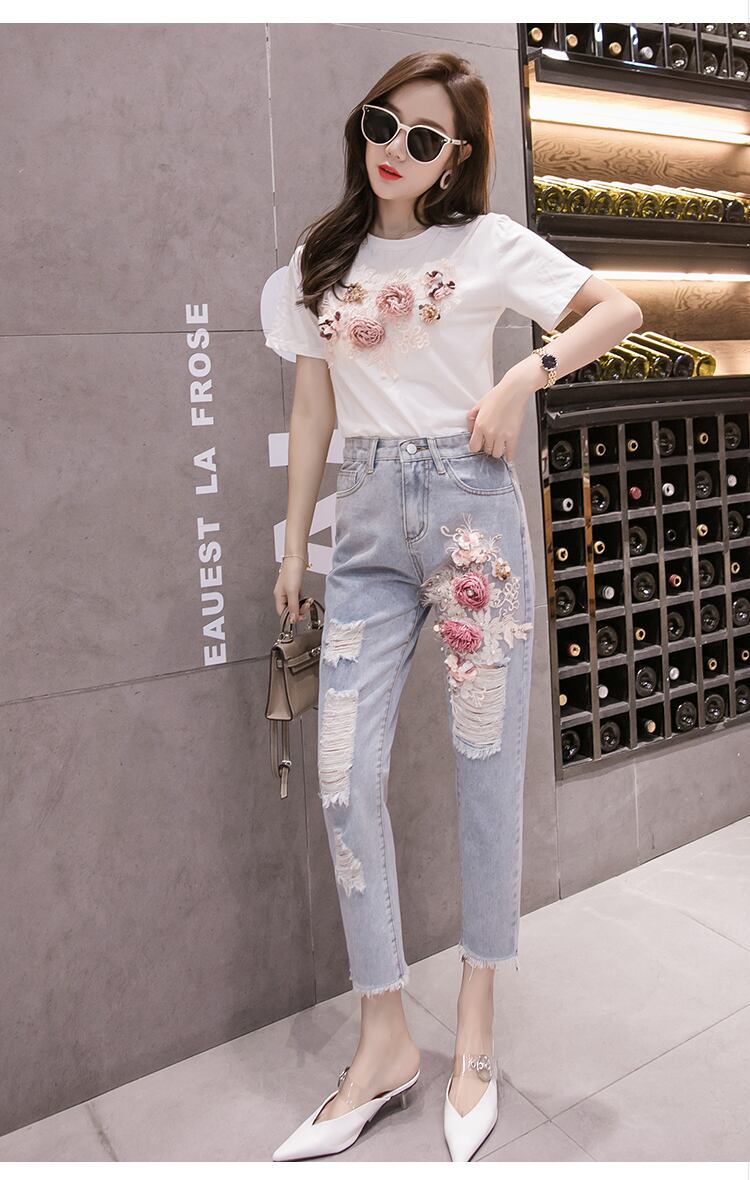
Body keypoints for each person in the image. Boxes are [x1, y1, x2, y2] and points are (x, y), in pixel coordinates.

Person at [264, 50, 642, 1163]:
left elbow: (619, 307)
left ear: (456, 157)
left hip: (472, 514)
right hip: (367, 524)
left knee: (485, 768)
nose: (396, 148)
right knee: (344, 776)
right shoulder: (321, 258)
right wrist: (295, 542)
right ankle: (384, 1038)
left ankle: (474, 1027)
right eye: (384, 123)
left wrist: (525, 377)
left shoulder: (486, 245)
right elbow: (313, 401)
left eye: (424, 138)